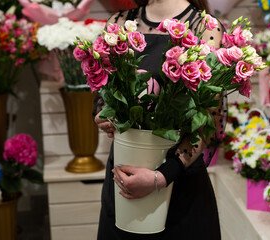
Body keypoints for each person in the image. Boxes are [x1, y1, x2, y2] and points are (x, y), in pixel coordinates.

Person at [92, 0, 226, 239]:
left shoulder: (205, 27)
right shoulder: (118, 23)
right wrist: (103, 113)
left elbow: (209, 120)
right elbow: (103, 90)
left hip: (180, 186)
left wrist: (163, 176)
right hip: (124, 181)